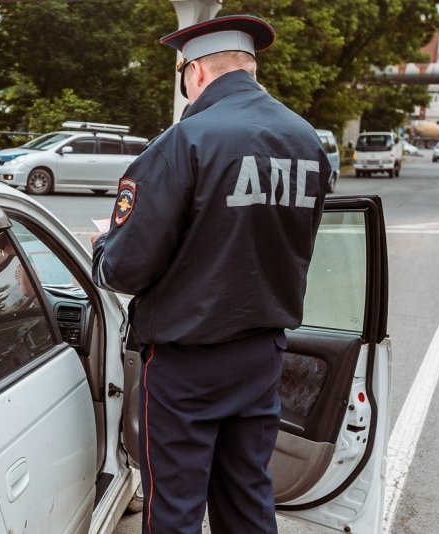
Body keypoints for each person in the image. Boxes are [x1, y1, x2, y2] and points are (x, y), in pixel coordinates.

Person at [91, 14, 331, 534]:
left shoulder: (186, 142)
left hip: (186, 362)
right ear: (248, 66)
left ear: (196, 72)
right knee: (247, 499)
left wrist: (103, 246)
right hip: (263, 355)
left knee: (174, 509)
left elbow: (126, 267)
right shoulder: (306, 141)